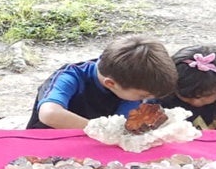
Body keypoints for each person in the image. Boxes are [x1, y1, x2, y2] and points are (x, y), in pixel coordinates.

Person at [27, 34, 178, 129]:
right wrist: (102, 131)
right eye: (142, 96)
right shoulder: (70, 76)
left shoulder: (131, 82)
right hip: (51, 141)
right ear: (110, 84)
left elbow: (125, 122)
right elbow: (50, 114)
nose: (146, 99)